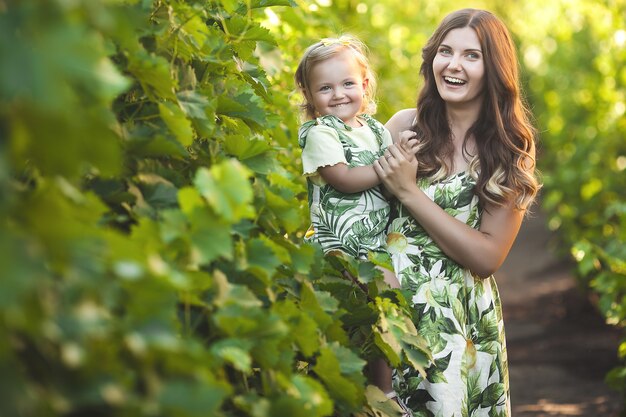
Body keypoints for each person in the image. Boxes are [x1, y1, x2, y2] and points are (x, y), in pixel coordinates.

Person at [374, 9, 541, 417]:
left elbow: (487, 257)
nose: (453, 64)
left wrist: (410, 193)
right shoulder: (403, 127)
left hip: (455, 326)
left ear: (494, 69)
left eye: (472, 55)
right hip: (385, 316)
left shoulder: (509, 148)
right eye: (445, 51)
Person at [294, 35, 414, 415]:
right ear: (310, 96)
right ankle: (358, 387)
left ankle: (384, 387)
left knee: (384, 308)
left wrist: (405, 156)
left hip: (373, 243)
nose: (339, 94)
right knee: (359, 312)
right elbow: (343, 179)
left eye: (348, 84)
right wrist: (389, 167)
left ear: (364, 85)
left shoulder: (377, 131)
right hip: (341, 246)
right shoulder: (321, 133)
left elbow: (394, 184)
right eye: (325, 88)